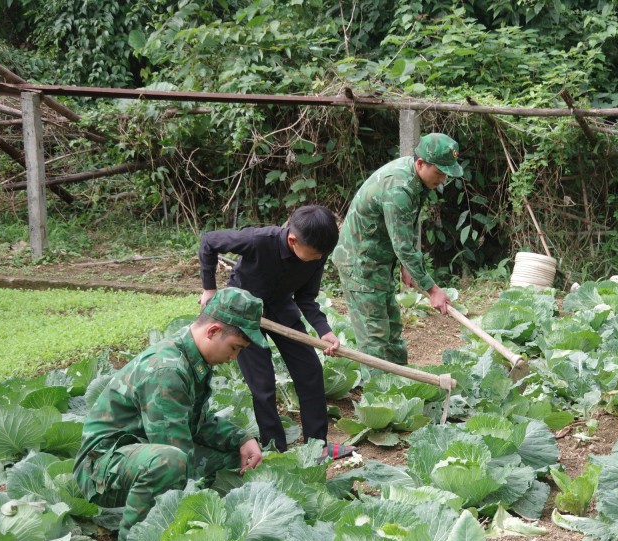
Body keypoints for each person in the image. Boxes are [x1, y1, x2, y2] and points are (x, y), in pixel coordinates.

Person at [74, 287, 268, 541]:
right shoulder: (167, 371)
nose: (233, 358)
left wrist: (242, 439)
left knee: (232, 457)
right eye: (234, 348)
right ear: (212, 332)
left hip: (140, 453)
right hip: (102, 468)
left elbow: (196, 424)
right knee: (171, 463)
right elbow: (174, 449)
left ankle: (172, 517)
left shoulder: (193, 354)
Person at [198, 204, 353, 459]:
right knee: (263, 385)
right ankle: (276, 450)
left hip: (281, 307)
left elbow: (306, 297)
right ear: (293, 240)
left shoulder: (317, 251)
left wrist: (324, 331)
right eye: (314, 255)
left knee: (310, 370)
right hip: (244, 314)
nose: (318, 259)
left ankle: (318, 445)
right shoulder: (258, 241)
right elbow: (209, 241)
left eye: (321, 256)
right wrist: (209, 290)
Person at [331, 132, 464, 364]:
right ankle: (378, 395)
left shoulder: (416, 177)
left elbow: (405, 228)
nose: (442, 179)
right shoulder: (399, 188)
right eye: (440, 173)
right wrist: (432, 290)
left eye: (446, 174)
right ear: (421, 163)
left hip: (379, 260)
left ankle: (399, 384)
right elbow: (403, 245)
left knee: (392, 328)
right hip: (360, 264)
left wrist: (406, 265)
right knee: (375, 338)